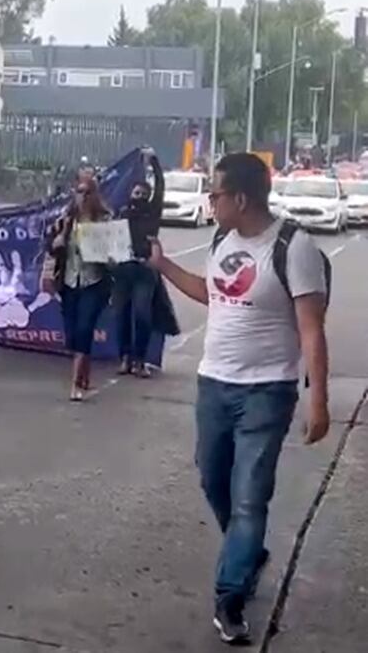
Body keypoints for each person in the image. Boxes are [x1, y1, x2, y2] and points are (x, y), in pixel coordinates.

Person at [149, 153, 330, 645]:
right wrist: (163, 265)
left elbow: (312, 331)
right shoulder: (221, 239)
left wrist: (319, 401)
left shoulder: (295, 248)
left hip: (267, 391)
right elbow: (214, 293)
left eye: (216, 194)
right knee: (213, 478)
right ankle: (247, 552)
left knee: (250, 497)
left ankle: (230, 596)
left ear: (241, 198)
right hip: (214, 384)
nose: (210, 201)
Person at [48, 176, 112, 402]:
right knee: (72, 334)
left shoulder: (103, 221)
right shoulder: (66, 220)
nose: (83, 197)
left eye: (87, 192)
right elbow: (51, 248)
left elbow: (115, 255)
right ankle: (84, 368)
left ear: (95, 195)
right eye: (79, 192)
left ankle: (75, 383)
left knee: (85, 328)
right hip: (69, 282)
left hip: (93, 282)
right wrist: (57, 241)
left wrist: (103, 252)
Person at [114, 151, 165, 377]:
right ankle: (124, 357)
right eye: (137, 192)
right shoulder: (123, 213)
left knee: (142, 315)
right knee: (121, 314)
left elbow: (161, 186)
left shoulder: (152, 213)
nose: (140, 196)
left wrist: (154, 161)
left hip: (145, 270)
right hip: (124, 269)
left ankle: (140, 360)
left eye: (144, 193)